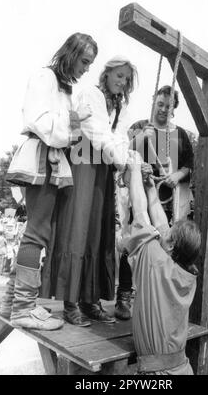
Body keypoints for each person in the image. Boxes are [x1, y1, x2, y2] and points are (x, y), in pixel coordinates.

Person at [0, 32, 98, 330]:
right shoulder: (45, 77)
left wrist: (74, 125)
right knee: (37, 232)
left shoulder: (63, 87)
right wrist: (73, 123)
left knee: (40, 231)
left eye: (90, 64)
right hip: (42, 155)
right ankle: (23, 308)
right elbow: (38, 120)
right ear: (70, 54)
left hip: (53, 157)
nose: (86, 68)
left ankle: (12, 300)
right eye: (84, 61)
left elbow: (66, 131)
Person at [41, 56, 138, 326]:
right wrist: (121, 159)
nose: (122, 82)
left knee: (98, 232)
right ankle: (70, 301)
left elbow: (119, 136)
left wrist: (123, 159)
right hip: (84, 163)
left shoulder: (121, 106)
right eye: (119, 75)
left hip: (104, 169)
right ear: (106, 73)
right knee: (78, 230)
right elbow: (96, 132)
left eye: (126, 79)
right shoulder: (90, 93)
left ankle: (89, 299)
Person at [115, 84, 194, 320]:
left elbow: (189, 165)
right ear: (153, 103)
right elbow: (121, 154)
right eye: (159, 104)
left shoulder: (180, 135)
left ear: (174, 109)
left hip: (167, 201)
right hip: (139, 193)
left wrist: (176, 176)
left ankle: (157, 295)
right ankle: (124, 295)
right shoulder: (139, 127)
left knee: (167, 246)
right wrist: (141, 141)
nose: (162, 109)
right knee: (133, 241)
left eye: (167, 107)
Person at [122, 151, 201, 375]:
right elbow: (160, 222)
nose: (164, 230)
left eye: (169, 233)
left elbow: (139, 212)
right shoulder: (187, 274)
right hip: (183, 368)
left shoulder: (156, 261)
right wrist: (149, 186)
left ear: (171, 246)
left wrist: (135, 168)